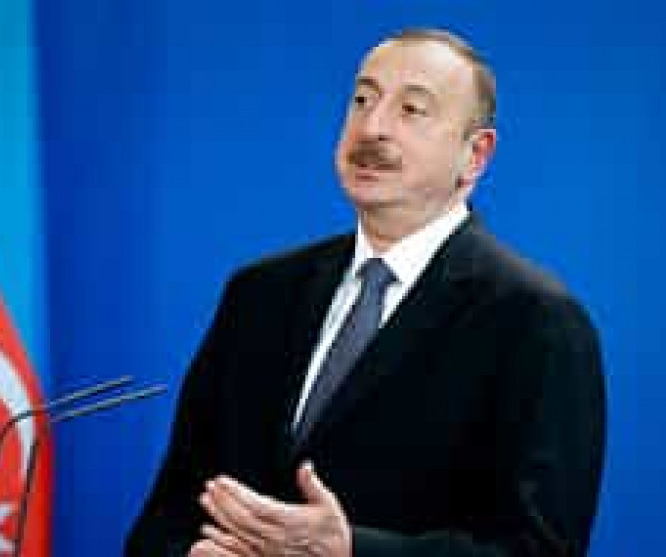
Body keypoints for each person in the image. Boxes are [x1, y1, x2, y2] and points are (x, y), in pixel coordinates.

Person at [125, 28, 606, 556]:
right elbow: (166, 517)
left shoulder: (536, 321)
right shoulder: (259, 294)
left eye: (411, 110)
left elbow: (542, 549)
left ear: (475, 155)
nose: (372, 127)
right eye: (362, 100)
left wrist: (351, 550)